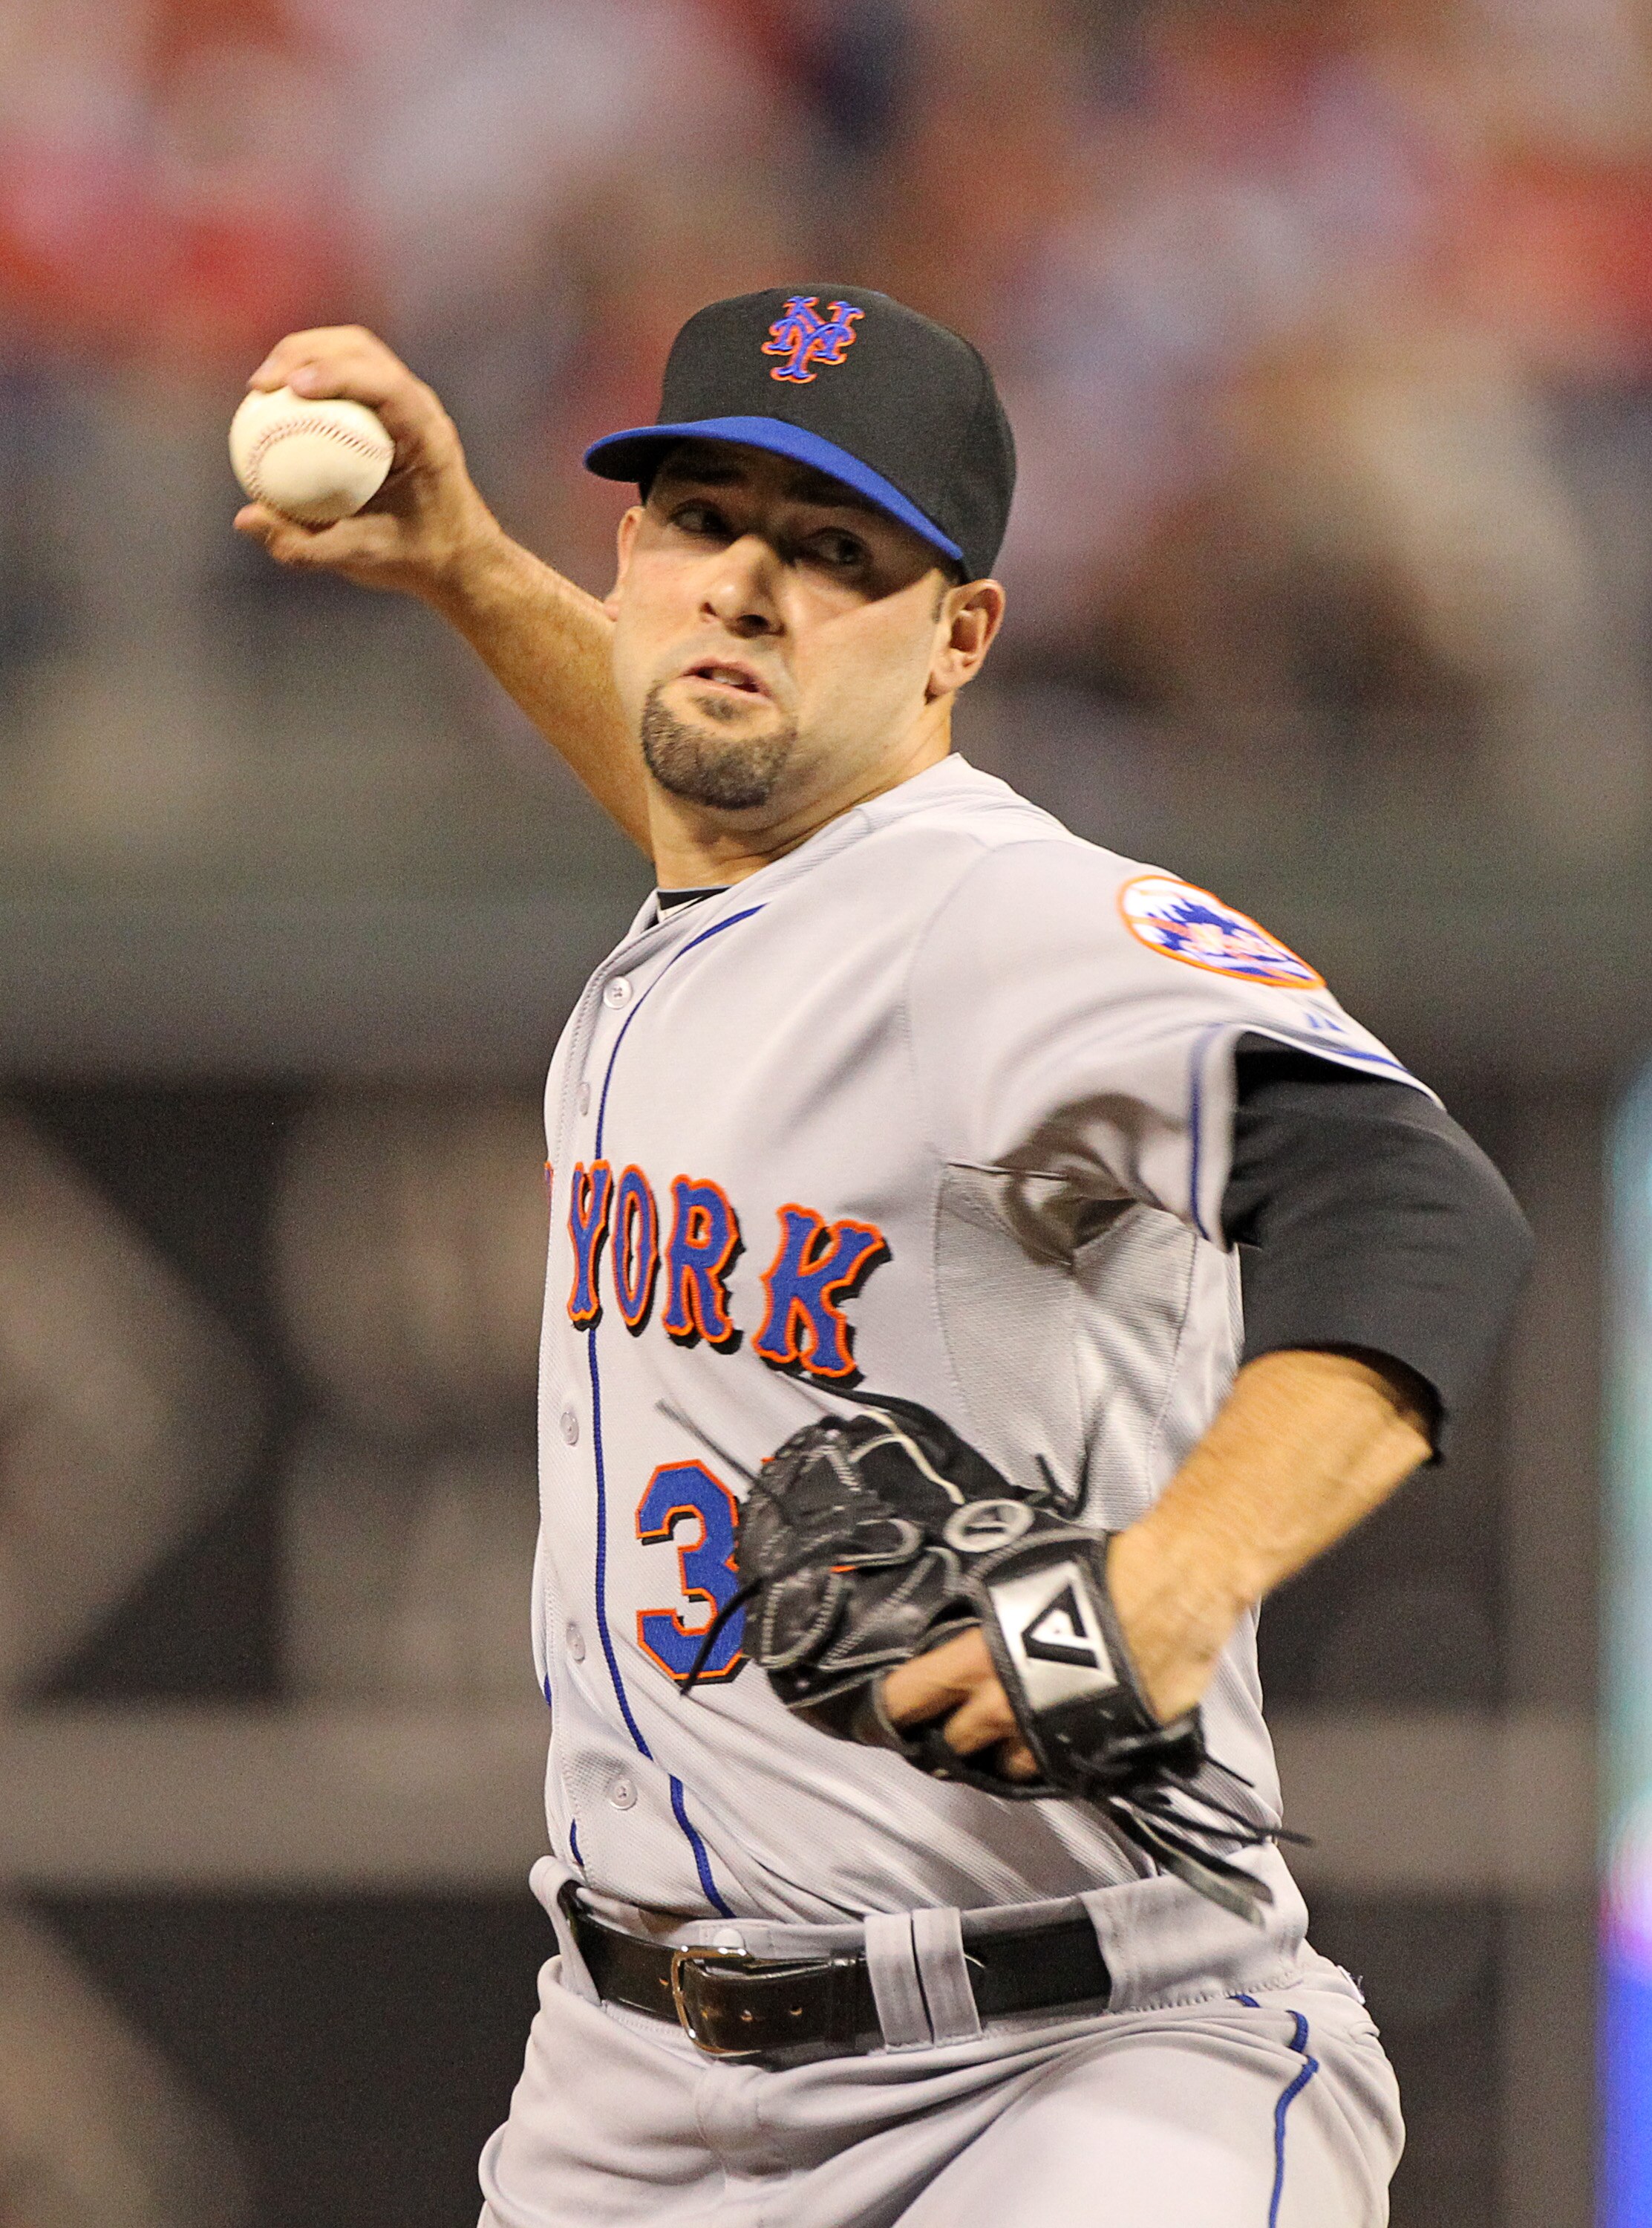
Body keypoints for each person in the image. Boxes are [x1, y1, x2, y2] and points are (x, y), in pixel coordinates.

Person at [238, 288, 1531, 2227]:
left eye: (834, 553)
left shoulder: (1011, 921)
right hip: (633, 2086)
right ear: (635, 552)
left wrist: (1171, 1579)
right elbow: (710, 795)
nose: (746, 586)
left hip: (1081, 2070)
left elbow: (1412, 1199)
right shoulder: (744, 892)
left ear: (956, 640)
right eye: (703, 522)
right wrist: (463, 568)